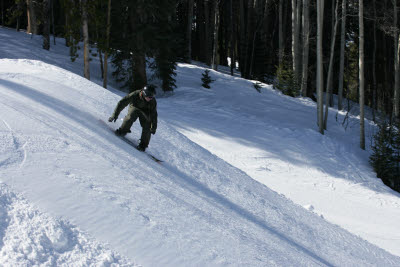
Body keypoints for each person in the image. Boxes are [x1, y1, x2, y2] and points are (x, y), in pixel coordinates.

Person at [108, 85, 158, 151]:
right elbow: (122, 103)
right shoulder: (135, 94)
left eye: (152, 97)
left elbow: (154, 115)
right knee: (130, 116)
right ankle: (123, 130)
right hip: (135, 107)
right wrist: (115, 115)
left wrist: (154, 127)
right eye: (149, 97)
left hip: (145, 111)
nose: (151, 99)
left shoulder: (152, 101)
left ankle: (143, 145)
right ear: (144, 94)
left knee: (147, 126)